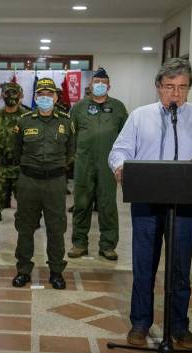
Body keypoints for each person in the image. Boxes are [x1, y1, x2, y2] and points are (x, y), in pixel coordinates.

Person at [109, 58, 192, 349]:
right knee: (144, 265)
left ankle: (178, 326)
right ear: (158, 87)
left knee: (179, 267)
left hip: (186, 203)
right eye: (169, 87)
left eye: (182, 87)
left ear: (189, 89)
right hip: (146, 201)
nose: (175, 94)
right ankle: (139, 323)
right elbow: (120, 150)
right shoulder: (140, 116)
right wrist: (121, 167)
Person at [12, 78, 74, 290]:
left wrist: (56, 167)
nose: (46, 98)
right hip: (28, 180)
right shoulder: (24, 121)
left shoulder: (66, 122)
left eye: (50, 95)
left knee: (56, 228)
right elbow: (16, 150)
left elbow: (70, 152)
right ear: (36, 97)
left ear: (56, 97)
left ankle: (56, 271)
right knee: (25, 227)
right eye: (41, 95)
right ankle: (23, 270)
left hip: (55, 182)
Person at [68, 67, 128, 261]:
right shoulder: (78, 108)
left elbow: (125, 138)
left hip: (108, 164)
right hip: (84, 162)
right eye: (96, 83)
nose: (100, 86)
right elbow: (71, 136)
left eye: (103, 83)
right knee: (81, 204)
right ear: (90, 85)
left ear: (109, 86)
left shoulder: (118, 108)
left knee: (107, 205)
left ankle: (108, 245)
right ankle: (79, 243)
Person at [0, 82, 27, 256]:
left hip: (21, 171)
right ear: (2, 95)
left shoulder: (27, 117)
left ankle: (23, 244)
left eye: (14, 93)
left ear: (21, 96)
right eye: (7, 93)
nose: (11, 96)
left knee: (24, 209)